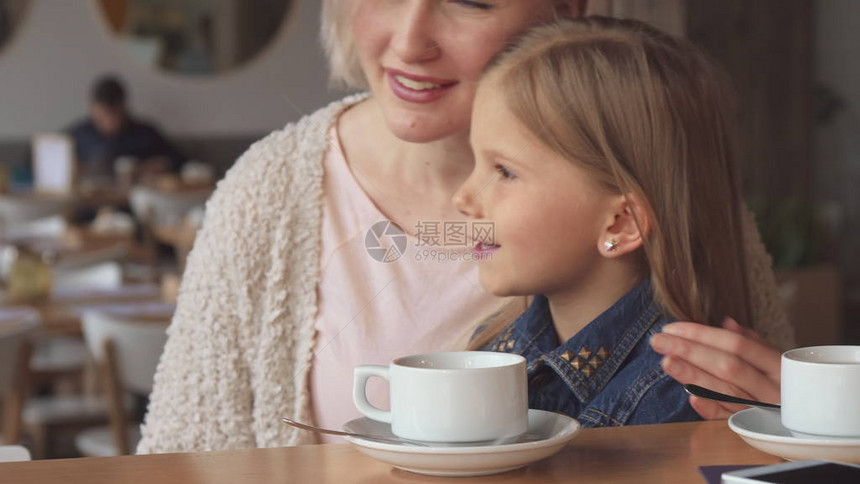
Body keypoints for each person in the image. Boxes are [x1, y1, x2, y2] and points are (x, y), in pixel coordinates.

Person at [137, 0, 790, 453]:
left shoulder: (683, 201)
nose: (411, 39)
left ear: (566, 12)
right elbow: (180, 456)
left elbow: (766, 437)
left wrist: (793, 428)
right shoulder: (269, 191)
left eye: (473, 0)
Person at [456, 16, 758, 426]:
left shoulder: (681, 398)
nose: (463, 199)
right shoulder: (492, 345)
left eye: (504, 172)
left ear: (620, 224)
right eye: (474, 162)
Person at [67, 75, 185, 182]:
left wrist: (161, 165)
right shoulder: (79, 134)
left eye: (115, 115)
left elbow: (180, 160)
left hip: (135, 200)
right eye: (102, 118)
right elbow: (53, 156)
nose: (110, 123)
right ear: (92, 108)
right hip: (90, 201)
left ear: (124, 107)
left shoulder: (145, 133)